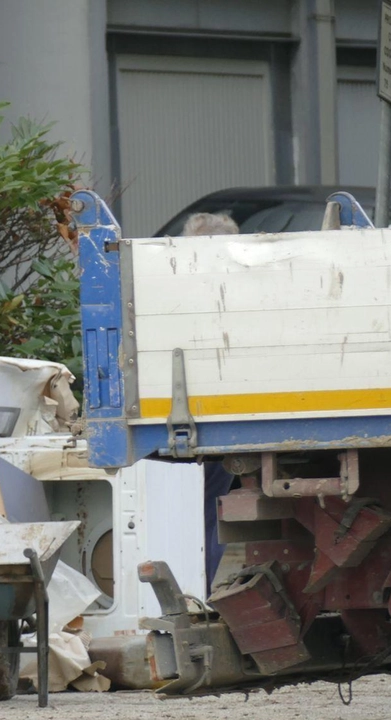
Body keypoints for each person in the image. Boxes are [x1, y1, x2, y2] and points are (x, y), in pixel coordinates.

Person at [179, 211, 239, 590]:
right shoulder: (235, 286)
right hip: (222, 416)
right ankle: (205, 590)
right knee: (214, 510)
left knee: (203, 512)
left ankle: (200, 590)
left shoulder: (184, 288)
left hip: (191, 419)